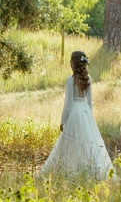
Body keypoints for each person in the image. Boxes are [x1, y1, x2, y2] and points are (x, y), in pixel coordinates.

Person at [40, 50, 116, 180]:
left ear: (73, 63)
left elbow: (68, 103)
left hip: (75, 112)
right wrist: (89, 118)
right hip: (85, 112)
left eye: (70, 61)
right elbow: (90, 102)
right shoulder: (88, 78)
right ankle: (91, 170)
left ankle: (71, 169)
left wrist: (63, 121)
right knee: (87, 142)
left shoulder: (71, 80)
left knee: (71, 142)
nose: (69, 63)